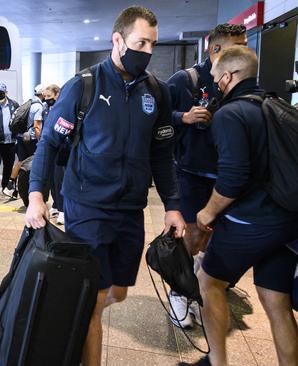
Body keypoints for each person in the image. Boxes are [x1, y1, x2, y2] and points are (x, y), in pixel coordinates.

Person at [25, 7, 185, 366]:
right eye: (139, 42)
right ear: (118, 40)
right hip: (87, 206)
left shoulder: (157, 93)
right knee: (94, 300)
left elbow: (162, 154)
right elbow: (49, 143)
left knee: (119, 292)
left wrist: (173, 205)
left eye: (152, 44)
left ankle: (76, 312)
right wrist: (37, 195)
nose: (146, 51)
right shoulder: (83, 86)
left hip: (130, 209)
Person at [185, 46, 298, 366]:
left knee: (208, 283)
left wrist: (207, 213)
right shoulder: (272, 104)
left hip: (253, 220)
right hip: (287, 219)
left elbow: (233, 179)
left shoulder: (232, 114)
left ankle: (216, 362)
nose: (216, 83)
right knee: (276, 299)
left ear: (230, 75)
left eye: (218, 76)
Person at [166, 23, 247, 329]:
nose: (244, 52)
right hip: (191, 173)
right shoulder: (186, 80)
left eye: (245, 45)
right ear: (215, 50)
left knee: (215, 240)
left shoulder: (241, 83)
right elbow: (157, 121)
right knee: (189, 235)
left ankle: (199, 290)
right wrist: (183, 117)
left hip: (227, 176)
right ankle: (179, 291)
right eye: (236, 46)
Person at [3, 84, 44, 198]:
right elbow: (37, 126)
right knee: (32, 163)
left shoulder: (29, 103)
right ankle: (30, 190)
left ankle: (10, 187)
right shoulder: (39, 107)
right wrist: (40, 141)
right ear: (42, 94)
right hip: (31, 139)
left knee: (21, 161)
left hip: (21, 137)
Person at [41, 84, 65, 225]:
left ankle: (63, 210)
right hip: (50, 148)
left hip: (61, 148)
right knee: (52, 180)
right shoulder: (46, 109)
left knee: (60, 179)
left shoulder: (63, 108)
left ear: (57, 94)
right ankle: (56, 205)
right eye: (45, 97)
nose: (46, 99)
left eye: (49, 97)